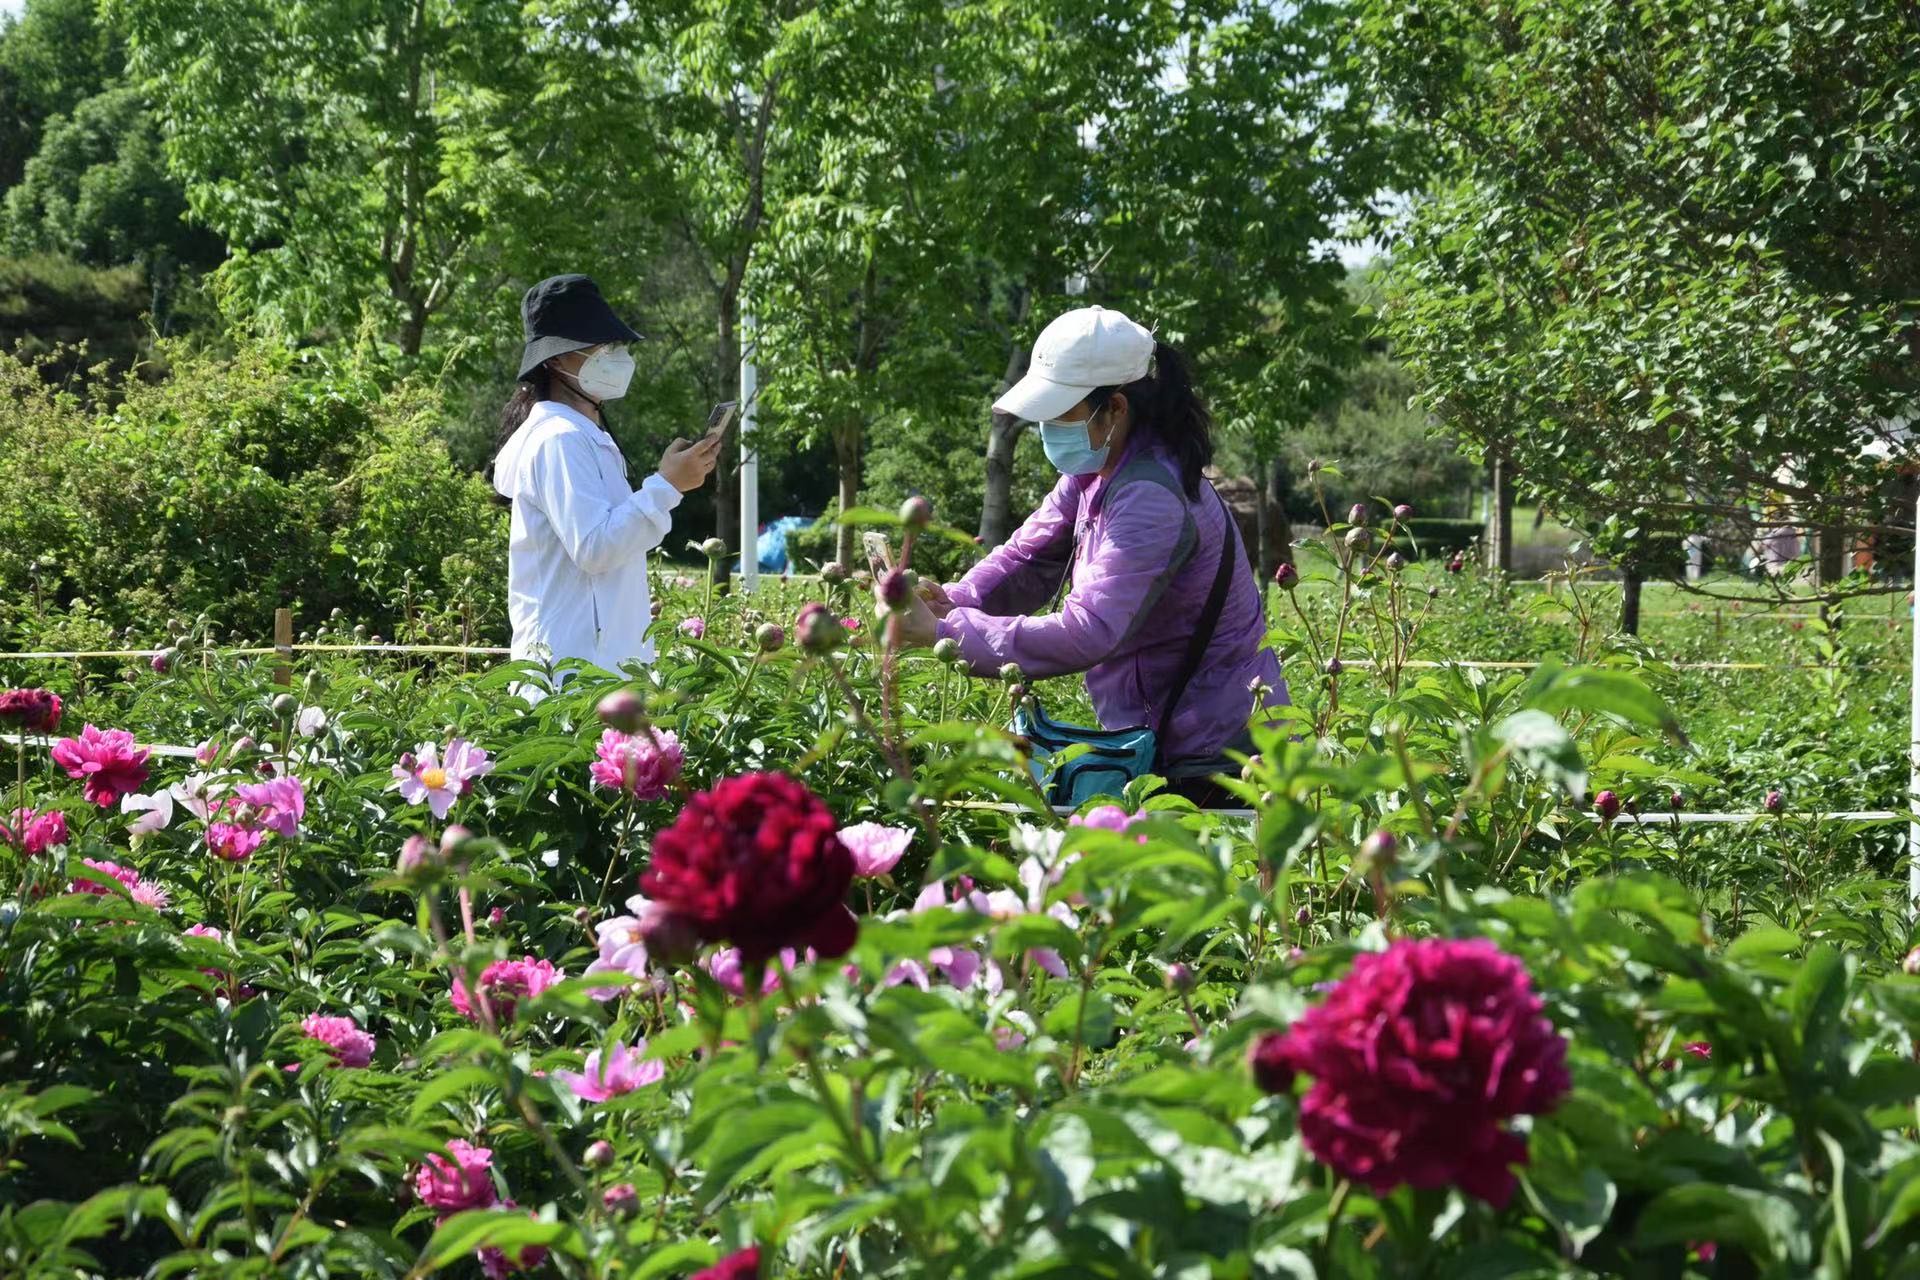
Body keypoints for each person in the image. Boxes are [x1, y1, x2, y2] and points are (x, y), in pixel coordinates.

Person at [891, 305, 1286, 805]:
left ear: (1115, 409)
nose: (1047, 429)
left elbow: (1088, 631)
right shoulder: (1097, 471)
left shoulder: (1149, 496)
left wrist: (945, 633)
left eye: (1061, 413)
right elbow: (1025, 557)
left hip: (1221, 758)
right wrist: (951, 600)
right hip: (1169, 741)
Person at [491, 274, 721, 697]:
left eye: (617, 346)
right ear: (557, 359)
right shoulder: (558, 438)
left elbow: (608, 538)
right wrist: (667, 486)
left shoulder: (578, 433)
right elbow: (595, 547)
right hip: (568, 679)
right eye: (601, 346)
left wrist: (670, 482)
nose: (616, 357)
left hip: (594, 671)